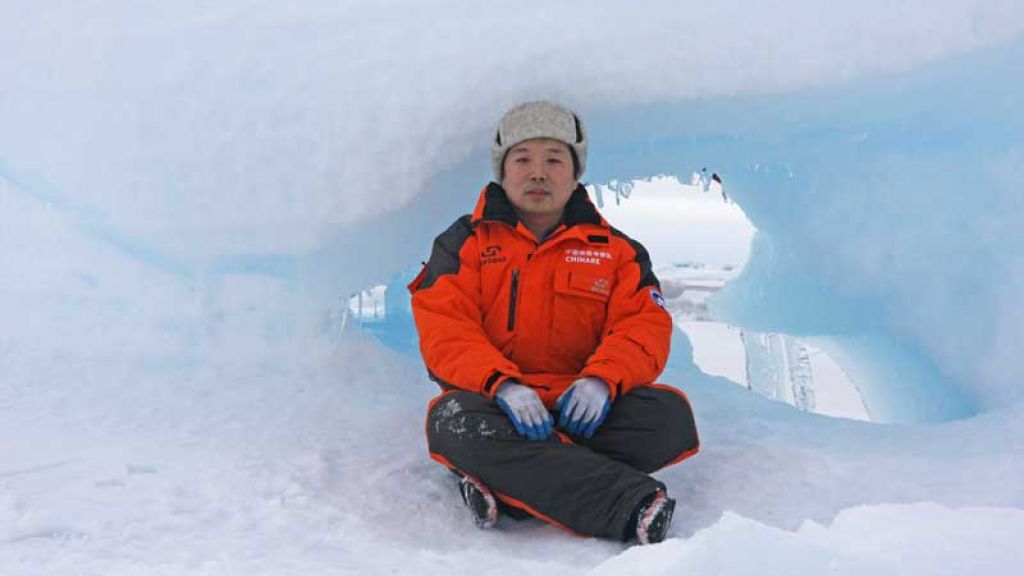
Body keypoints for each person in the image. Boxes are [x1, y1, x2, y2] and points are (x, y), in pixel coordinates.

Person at [408, 101, 699, 544]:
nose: (538, 173)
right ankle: (626, 504)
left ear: (575, 173)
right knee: (452, 421)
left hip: (583, 406)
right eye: (522, 159)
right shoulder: (463, 241)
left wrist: (602, 381)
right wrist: (502, 385)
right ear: (503, 171)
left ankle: (509, 486)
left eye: (554, 159)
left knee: (668, 419)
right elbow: (445, 327)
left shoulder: (618, 251)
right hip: (495, 406)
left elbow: (643, 326)